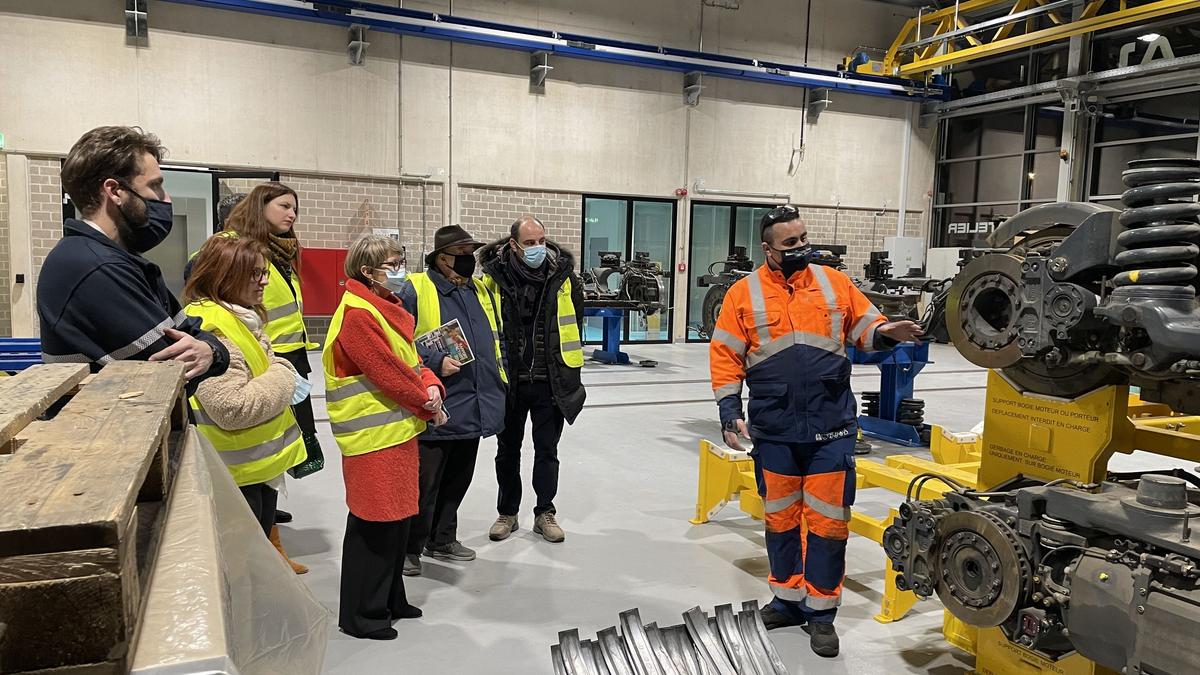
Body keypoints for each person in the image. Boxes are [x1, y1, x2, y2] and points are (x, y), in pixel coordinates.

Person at [708, 205, 924, 658]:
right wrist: (729, 410)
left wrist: (888, 332)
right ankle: (787, 600)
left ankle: (821, 614)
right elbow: (726, 354)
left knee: (828, 524)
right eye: (791, 243)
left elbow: (865, 329)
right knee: (780, 519)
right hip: (775, 429)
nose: (801, 247)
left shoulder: (833, 282)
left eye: (803, 238)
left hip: (831, 427)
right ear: (768, 249)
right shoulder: (743, 294)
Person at [324, 235, 446, 641]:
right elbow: (389, 373)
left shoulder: (386, 307)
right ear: (367, 271)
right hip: (372, 440)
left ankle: (391, 599)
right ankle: (363, 615)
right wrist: (426, 401)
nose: (400, 271)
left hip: (396, 434)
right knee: (374, 526)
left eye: (400, 261)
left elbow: (411, 361)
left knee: (397, 522)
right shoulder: (358, 315)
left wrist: (432, 384)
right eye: (392, 264)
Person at [39, 126, 229, 386]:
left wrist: (210, 350)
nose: (165, 199)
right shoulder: (96, 267)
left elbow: (192, 334)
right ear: (115, 191)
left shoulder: (120, 260)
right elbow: (171, 372)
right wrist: (212, 352)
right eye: (155, 186)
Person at [398, 225, 508, 576]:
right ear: (440, 258)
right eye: (459, 254)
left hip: (476, 401)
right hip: (438, 401)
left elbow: (496, 338)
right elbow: (396, 342)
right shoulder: (416, 288)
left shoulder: (479, 290)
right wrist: (433, 362)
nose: (467, 260)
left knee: (459, 478)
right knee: (424, 483)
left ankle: (442, 538)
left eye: (469, 253)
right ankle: (409, 548)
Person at [181, 236, 308, 538]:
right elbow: (232, 408)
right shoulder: (212, 328)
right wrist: (286, 373)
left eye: (264, 272)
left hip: (254, 469)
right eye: (255, 274)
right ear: (224, 275)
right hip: (234, 475)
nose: (265, 281)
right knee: (243, 558)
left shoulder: (242, 317)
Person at [478, 216, 585, 544]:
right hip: (509, 381)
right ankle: (507, 513)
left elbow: (574, 326)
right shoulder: (493, 279)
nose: (538, 248)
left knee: (547, 450)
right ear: (513, 245)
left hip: (549, 381)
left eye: (541, 241)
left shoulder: (564, 278)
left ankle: (545, 513)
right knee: (507, 451)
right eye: (529, 243)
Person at [219, 182, 325, 479]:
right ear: (259, 206)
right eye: (284, 206)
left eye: (295, 209)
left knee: (291, 431)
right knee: (265, 427)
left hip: (291, 351)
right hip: (260, 352)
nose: (292, 215)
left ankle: (275, 483)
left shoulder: (279, 250)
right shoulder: (233, 245)